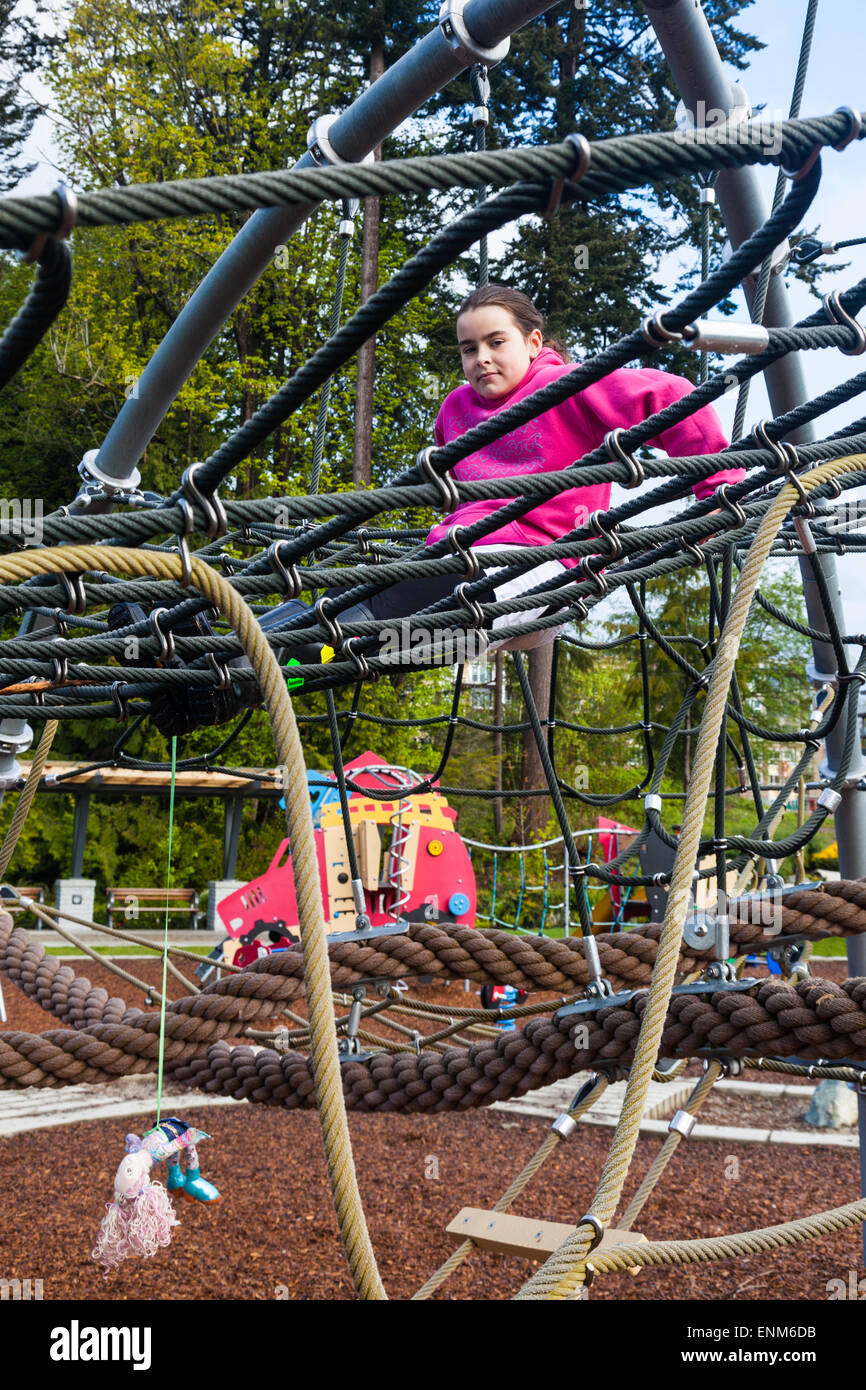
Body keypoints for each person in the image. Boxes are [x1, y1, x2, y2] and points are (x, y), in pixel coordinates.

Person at [123, 284, 742, 734]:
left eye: (497, 343)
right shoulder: (457, 410)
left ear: (532, 342)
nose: (483, 361)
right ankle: (218, 678)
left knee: (361, 620)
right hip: (455, 575)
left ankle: (221, 654)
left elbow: (668, 395)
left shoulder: (570, 387)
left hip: (529, 571)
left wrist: (717, 486)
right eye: (469, 349)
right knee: (358, 642)